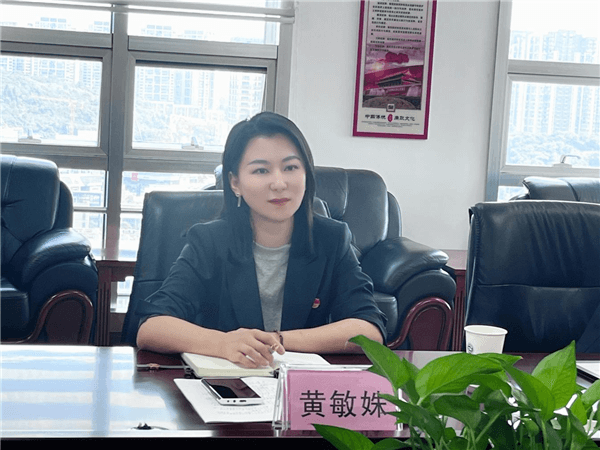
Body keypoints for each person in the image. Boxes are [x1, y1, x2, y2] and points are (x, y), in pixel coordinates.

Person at [136, 112, 387, 368]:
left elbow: (369, 330)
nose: (279, 183)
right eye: (261, 170)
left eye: (290, 167)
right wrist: (223, 343)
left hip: (299, 383)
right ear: (235, 182)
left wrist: (278, 340)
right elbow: (152, 328)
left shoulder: (332, 239)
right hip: (225, 380)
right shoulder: (210, 241)